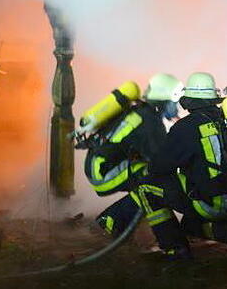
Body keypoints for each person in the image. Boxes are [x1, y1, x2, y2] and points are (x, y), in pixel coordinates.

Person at [135, 72, 227, 259]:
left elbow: (159, 167)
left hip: (211, 203)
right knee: (188, 227)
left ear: (189, 101)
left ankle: (175, 249)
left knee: (146, 186)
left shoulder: (186, 127)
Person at [77, 73, 184, 237]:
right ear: (164, 100)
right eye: (174, 103)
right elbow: (161, 160)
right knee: (152, 180)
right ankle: (110, 221)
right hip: (102, 172)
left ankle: (127, 225)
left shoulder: (141, 112)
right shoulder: (150, 123)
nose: (176, 109)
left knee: (149, 178)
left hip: (98, 164)